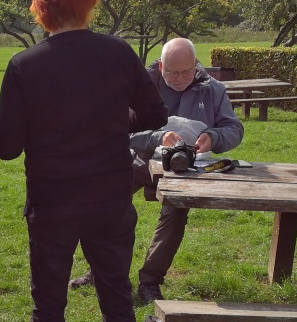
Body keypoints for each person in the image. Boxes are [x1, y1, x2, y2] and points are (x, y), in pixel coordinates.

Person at [0, 0, 168, 322]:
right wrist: (112, 121)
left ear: (40, 5)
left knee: (48, 302)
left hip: (52, 201)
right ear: (90, 0)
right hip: (110, 196)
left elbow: (6, 147)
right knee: (116, 298)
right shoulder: (118, 53)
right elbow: (155, 114)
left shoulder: (25, 65)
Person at [69, 37, 243, 302]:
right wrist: (155, 138)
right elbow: (115, 131)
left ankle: (150, 281)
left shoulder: (213, 90)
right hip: (139, 160)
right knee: (104, 203)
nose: (179, 78)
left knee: (175, 213)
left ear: (196, 65)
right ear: (161, 66)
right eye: (172, 72)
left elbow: (234, 128)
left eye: (186, 72)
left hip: (185, 169)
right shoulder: (137, 87)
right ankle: (101, 270)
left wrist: (214, 137)